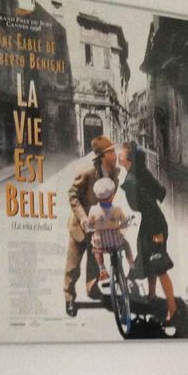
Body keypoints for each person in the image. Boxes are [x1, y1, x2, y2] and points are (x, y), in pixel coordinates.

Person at [118, 141, 177, 323]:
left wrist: (156, 234)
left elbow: (145, 206)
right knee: (149, 259)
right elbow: (161, 192)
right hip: (153, 223)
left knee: (159, 266)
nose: (119, 155)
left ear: (129, 159)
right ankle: (152, 295)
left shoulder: (132, 181)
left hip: (154, 226)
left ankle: (173, 309)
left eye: (121, 154)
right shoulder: (141, 172)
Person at [63, 135, 119, 316]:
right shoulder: (87, 172)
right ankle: (69, 297)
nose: (115, 155)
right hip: (80, 225)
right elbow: (73, 195)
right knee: (73, 265)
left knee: (95, 259)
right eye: (111, 152)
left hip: (98, 223)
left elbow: (111, 194)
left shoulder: (114, 172)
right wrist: (83, 217)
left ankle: (92, 288)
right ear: (102, 156)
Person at [85, 177, 134, 283]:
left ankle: (102, 269)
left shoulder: (93, 210)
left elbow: (89, 224)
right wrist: (125, 223)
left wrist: (91, 226)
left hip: (101, 243)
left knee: (96, 249)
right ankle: (132, 266)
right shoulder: (117, 209)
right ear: (112, 196)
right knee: (126, 245)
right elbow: (124, 222)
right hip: (115, 242)